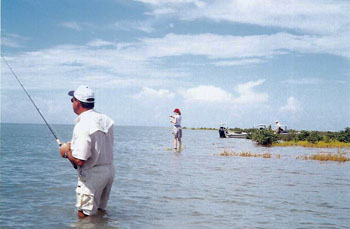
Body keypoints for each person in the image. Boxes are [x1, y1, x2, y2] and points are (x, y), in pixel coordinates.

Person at [59, 85, 115, 218]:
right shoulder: (105, 119)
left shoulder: (83, 124)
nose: (72, 103)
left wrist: (65, 152)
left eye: (72, 100)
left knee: (84, 216)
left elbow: (80, 160)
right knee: (100, 211)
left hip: (93, 175)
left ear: (77, 102)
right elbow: (99, 144)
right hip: (109, 171)